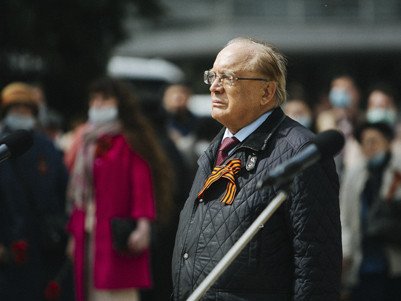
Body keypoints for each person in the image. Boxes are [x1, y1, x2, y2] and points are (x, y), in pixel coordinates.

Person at [171, 37, 342, 300]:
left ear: (266, 92)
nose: (214, 87)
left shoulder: (300, 154)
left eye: (228, 77)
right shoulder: (214, 149)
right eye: (212, 76)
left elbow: (316, 268)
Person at [65, 77, 173, 301]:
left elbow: (142, 186)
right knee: (88, 290)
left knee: (117, 293)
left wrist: (143, 226)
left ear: (120, 104)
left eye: (105, 99)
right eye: (94, 99)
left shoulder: (130, 140)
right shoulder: (86, 140)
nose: (98, 104)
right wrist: (73, 235)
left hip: (117, 232)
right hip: (86, 229)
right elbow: (79, 193)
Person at [0, 82, 70, 300]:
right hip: (7, 244)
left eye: (26, 109)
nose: (21, 113)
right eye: (15, 109)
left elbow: (63, 193)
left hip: (44, 248)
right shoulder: (4, 146)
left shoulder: (46, 147)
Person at [340, 121, 401, 301]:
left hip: (394, 261)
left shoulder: (398, 170)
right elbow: (344, 215)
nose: (370, 147)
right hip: (364, 263)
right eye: (364, 143)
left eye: (374, 141)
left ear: (388, 141)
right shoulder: (354, 174)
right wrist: (346, 251)